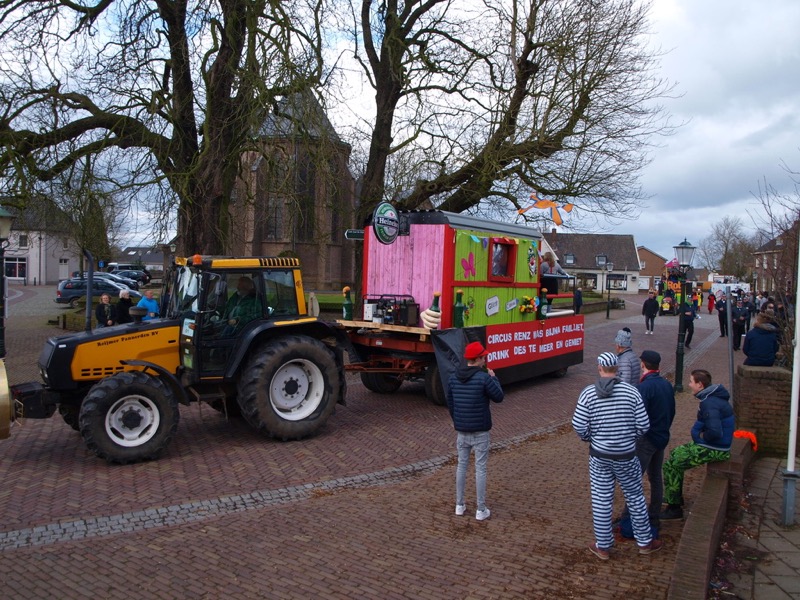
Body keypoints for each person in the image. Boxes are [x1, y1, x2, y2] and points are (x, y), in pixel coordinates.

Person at [572, 352, 663, 560]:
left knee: (601, 500)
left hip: (599, 456)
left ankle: (603, 546)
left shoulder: (588, 393)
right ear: (617, 369)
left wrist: (590, 437)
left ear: (599, 368)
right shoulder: (632, 392)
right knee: (635, 497)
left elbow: (578, 424)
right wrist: (628, 438)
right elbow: (643, 425)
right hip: (626, 455)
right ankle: (645, 542)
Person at [661, 369, 735, 520]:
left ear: (700, 385)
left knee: (672, 464)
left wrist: (700, 437)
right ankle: (674, 495)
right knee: (676, 453)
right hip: (716, 445)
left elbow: (714, 432)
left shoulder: (709, 404)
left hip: (715, 448)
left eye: (691, 382)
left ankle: (674, 508)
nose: (689, 385)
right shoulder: (711, 399)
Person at [446, 341, 504, 521]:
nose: (485, 359)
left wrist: (458, 421)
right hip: (480, 430)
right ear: (478, 359)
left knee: (461, 466)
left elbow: (451, 403)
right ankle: (480, 509)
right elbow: (499, 397)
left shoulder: (453, 377)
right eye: (483, 357)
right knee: (480, 468)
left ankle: (459, 505)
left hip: (462, 430)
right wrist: (494, 378)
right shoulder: (484, 378)